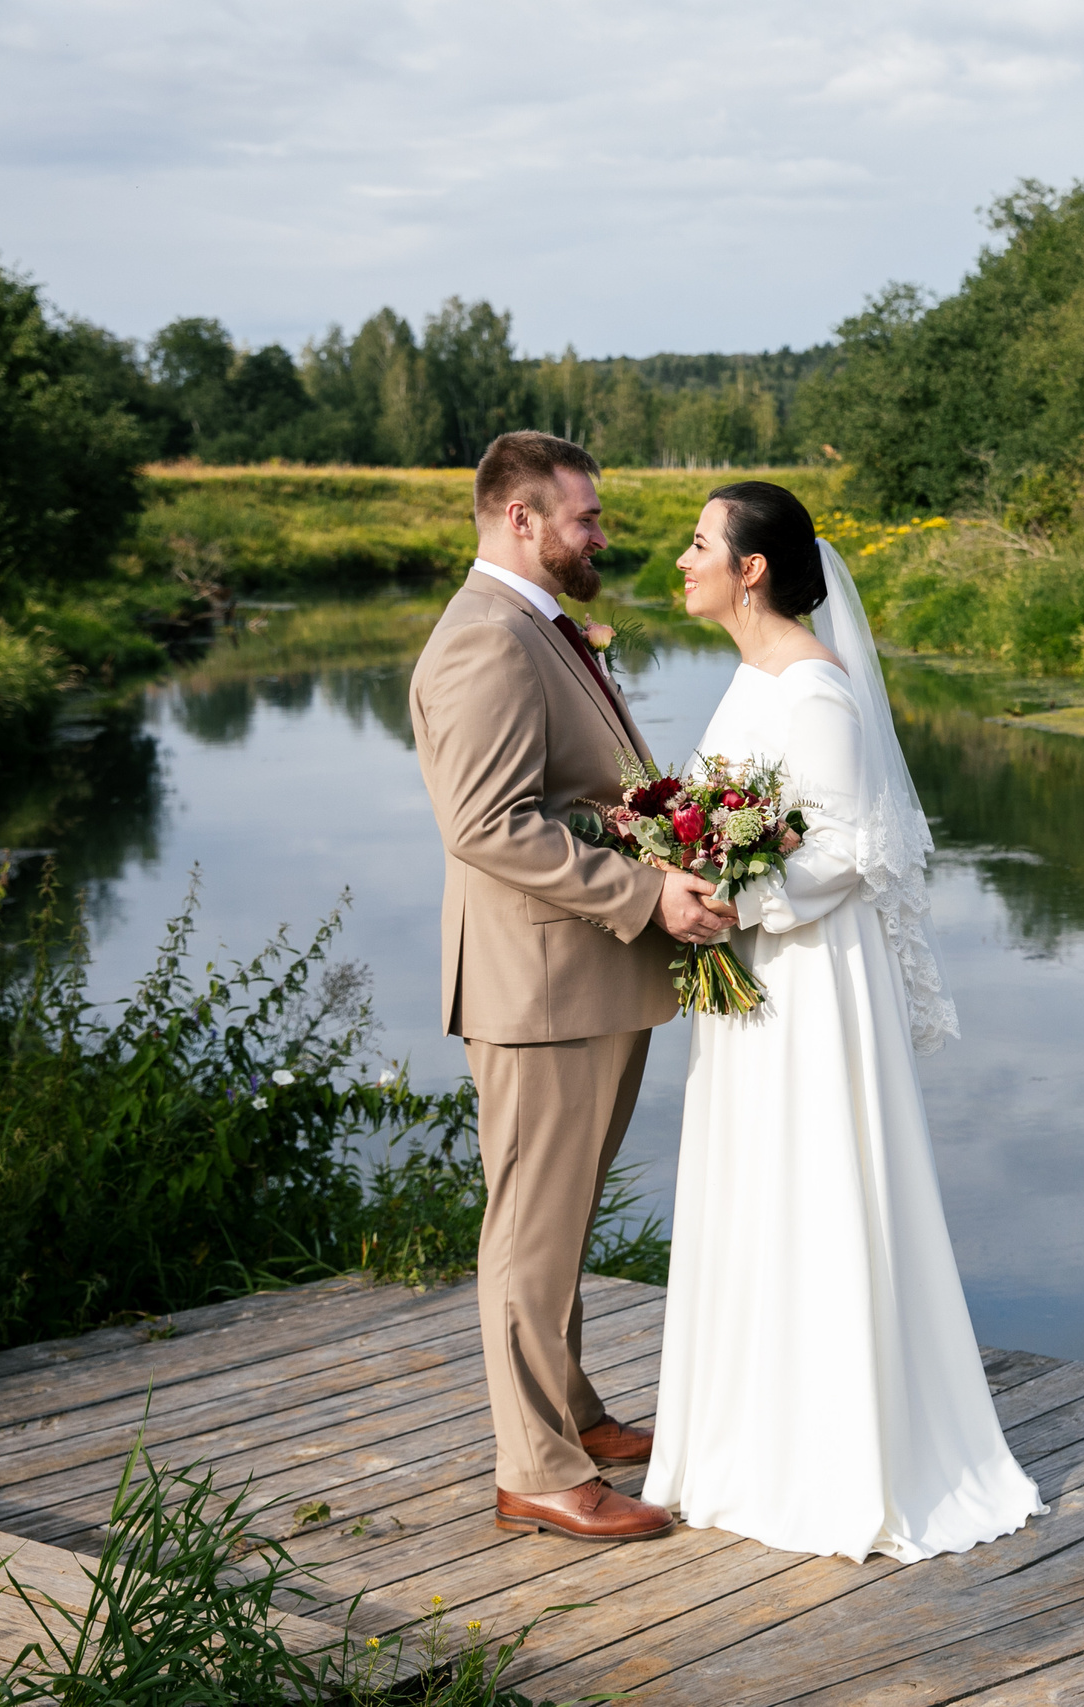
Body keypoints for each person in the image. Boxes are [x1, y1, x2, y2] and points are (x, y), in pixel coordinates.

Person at [641, 481, 1044, 1561]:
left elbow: (848, 848)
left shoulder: (814, 689)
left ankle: (835, 1456)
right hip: (758, 971)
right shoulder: (751, 677)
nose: (681, 561)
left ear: (751, 568)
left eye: (696, 545)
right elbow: (742, 815)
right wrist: (688, 858)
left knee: (813, 1183)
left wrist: (735, 894)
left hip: (808, 980)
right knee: (752, 1188)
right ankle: (745, 1443)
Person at [408, 431, 737, 1545]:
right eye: (585, 518)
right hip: (540, 987)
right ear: (519, 518)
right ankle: (536, 1470)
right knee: (530, 1231)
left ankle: (575, 1414)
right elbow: (487, 827)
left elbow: (566, 796)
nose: (602, 534)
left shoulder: (535, 626)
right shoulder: (487, 641)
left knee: (562, 1219)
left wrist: (663, 832)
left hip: (582, 980)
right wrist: (647, 900)